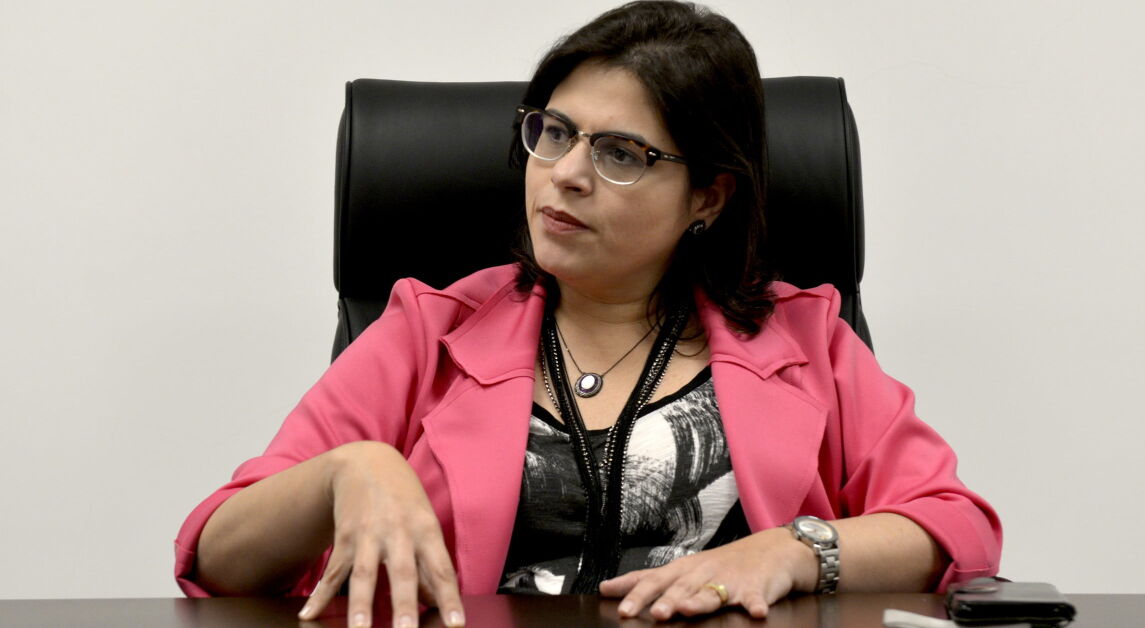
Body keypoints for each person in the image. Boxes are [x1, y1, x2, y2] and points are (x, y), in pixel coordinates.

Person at [174, 1, 1002, 626]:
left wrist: (794, 550)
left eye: (619, 154)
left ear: (707, 197)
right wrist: (346, 470)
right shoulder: (428, 331)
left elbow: (955, 528)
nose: (566, 173)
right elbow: (215, 558)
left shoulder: (804, 337)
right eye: (555, 133)